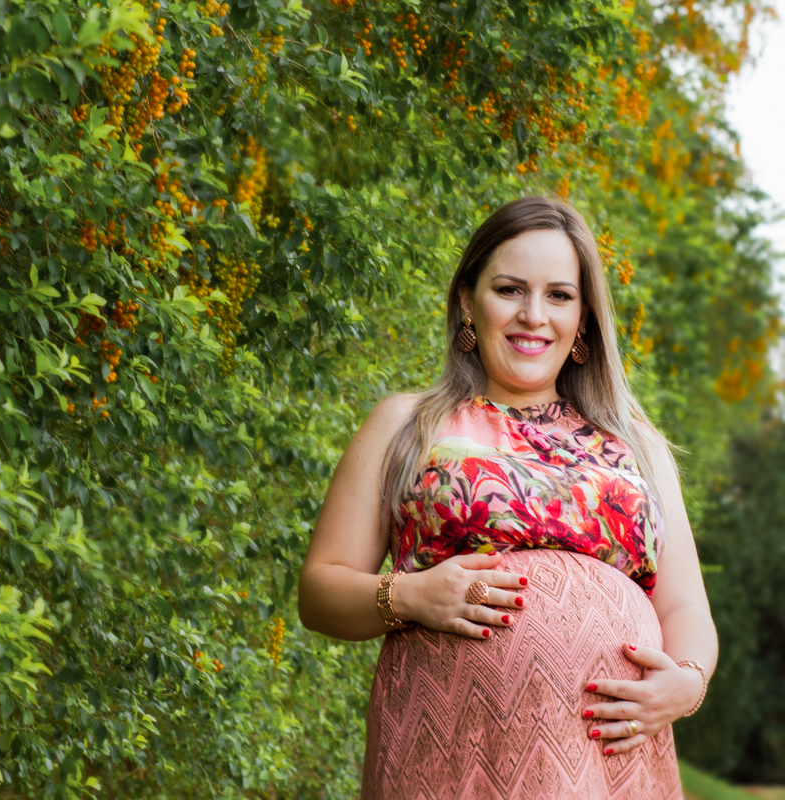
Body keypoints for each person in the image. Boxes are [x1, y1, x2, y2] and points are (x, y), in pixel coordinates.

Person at [298, 197, 717, 799]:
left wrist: (688, 682)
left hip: (606, 764)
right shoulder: (405, 425)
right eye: (510, 289)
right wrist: (410, 595)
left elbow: (686, 612)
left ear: (584, 319)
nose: (533, 315)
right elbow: (319, 591)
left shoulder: (636, 447)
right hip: (446, 751)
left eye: (559, 296)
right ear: (468, 300)